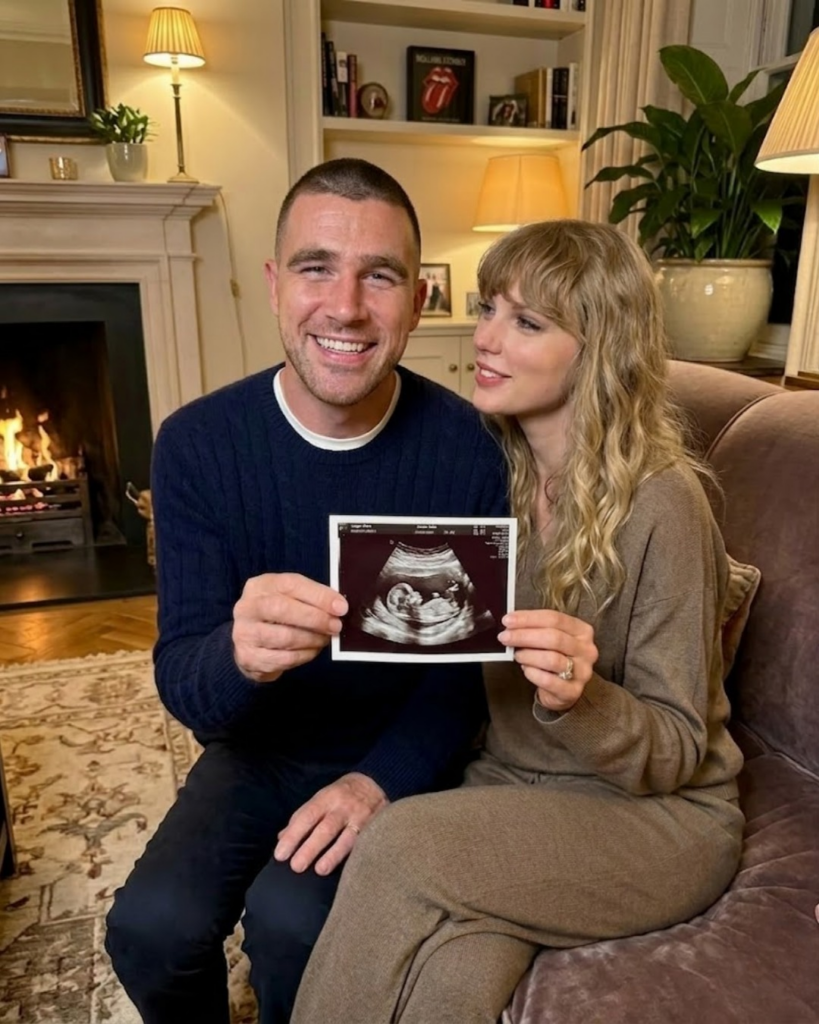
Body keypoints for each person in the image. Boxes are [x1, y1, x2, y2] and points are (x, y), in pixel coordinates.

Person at [290, 220, 746, 1024]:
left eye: (526, 322)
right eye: (488, 308)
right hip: (513, 789)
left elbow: (678, 748)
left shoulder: (662, 503)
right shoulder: (486, 472)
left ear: (597, 350)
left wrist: (581, 698)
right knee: (448, 984)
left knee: (397, 844)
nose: (486, 338)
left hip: (657, 820)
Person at [104, 157, 507, 1024]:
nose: (346, 306)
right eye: (316, 267)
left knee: (293, 926)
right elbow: (183, 681)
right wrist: (237, 656)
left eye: (380, 276)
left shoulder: (472, 449)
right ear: (273, 285)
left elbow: (461, 681)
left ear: (419, 300)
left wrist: (377, 782)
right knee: (149, 929)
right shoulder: (196, 444)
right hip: (259, 748)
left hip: (398, 752)